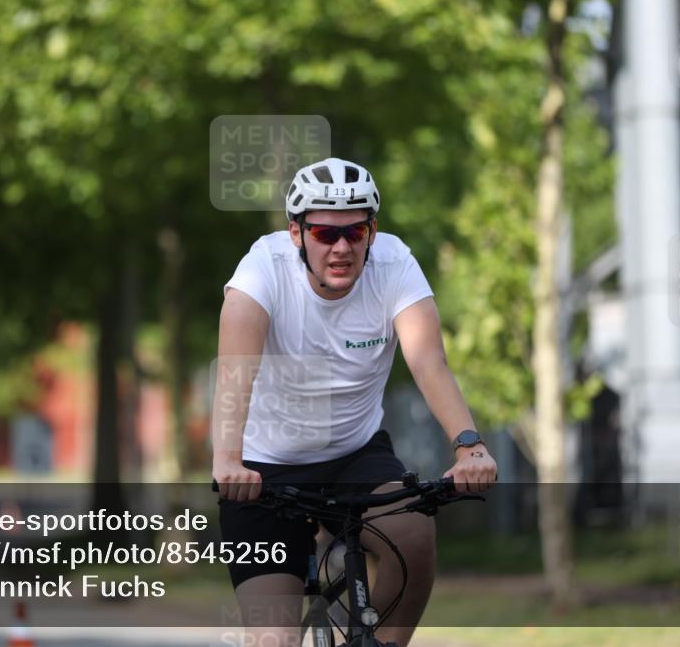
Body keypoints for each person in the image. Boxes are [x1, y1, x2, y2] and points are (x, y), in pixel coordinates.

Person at [212, 157, 498, 647]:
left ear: (373, 231)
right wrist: (226, 461)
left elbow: (429, 362)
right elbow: (236, 373)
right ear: (296, 234)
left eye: (356, 232)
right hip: (264, 469)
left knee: (413, 535)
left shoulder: (394, 264)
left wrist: (468, 446)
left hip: (354, 454)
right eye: (325, 234)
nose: (342, 247)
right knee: (272, 640)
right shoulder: (260, 274)